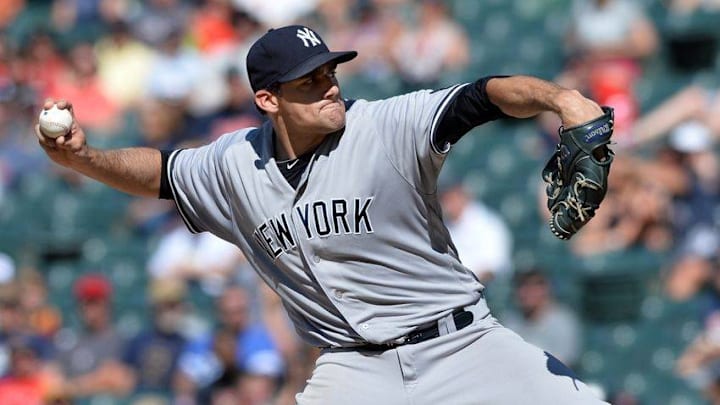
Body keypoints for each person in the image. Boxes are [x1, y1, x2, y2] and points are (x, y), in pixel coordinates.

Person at [36, 25, 608, 404]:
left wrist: (563, 100)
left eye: (330, 73)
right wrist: (84, 158)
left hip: (462, 346)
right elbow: (161, 172)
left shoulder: (384, 125)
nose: (329, 88)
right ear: (268, 100)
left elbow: (482, 96)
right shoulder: (233, 164)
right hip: (352, 371)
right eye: (309, 82)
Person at [501, 269, 582, 368]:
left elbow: (564, 365)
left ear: (546, 289)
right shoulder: (510, 321)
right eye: (523, 286)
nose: (528, 292)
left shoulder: (563, 321)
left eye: (535, 286)